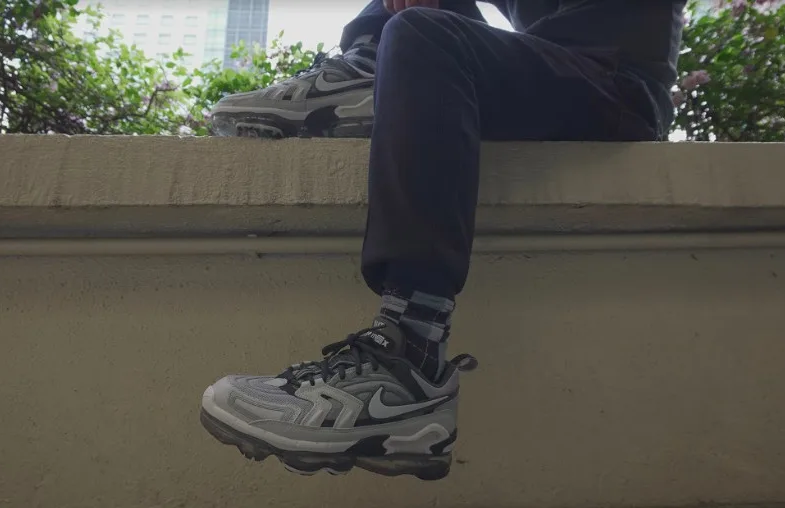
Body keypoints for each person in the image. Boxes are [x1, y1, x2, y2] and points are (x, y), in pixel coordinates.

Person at [199, 0, 686, 480]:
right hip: (545, 70)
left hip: (617, 84)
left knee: (424, 34)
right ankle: (366, 65)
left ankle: (410, 356)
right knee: (416, 21)